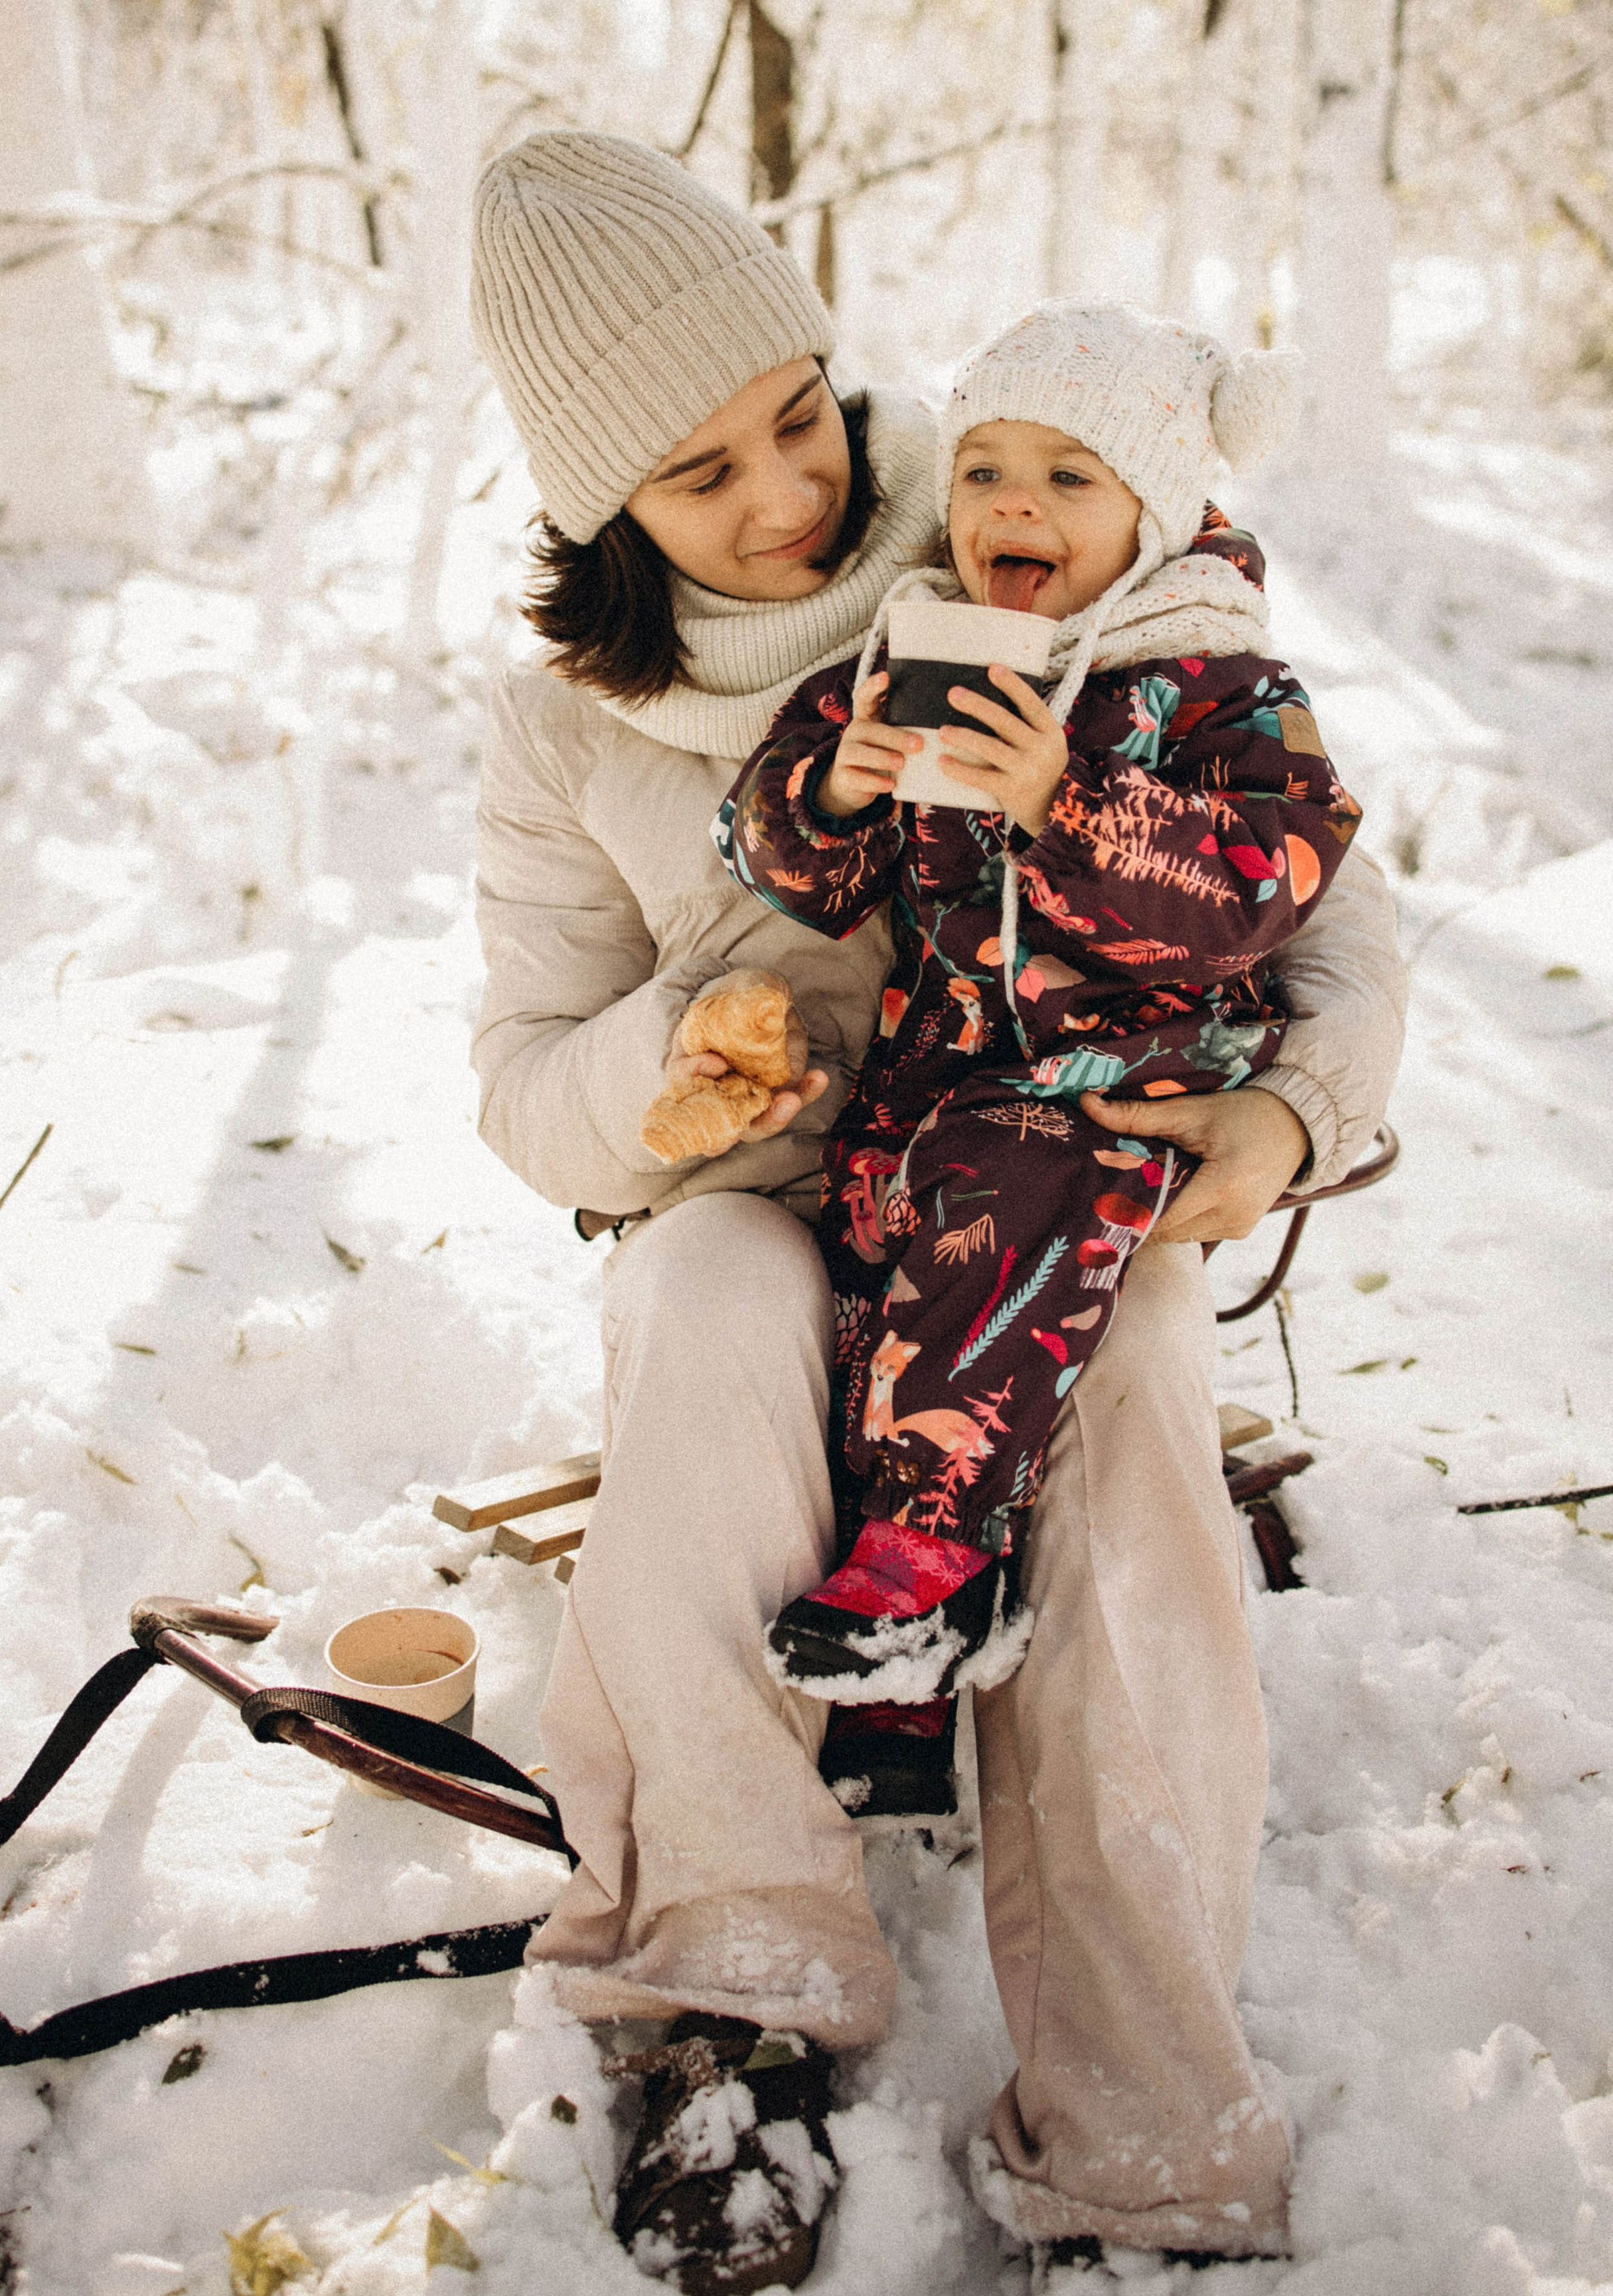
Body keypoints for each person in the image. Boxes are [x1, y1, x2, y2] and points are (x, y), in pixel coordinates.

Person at [467, 130, 1407, 2287]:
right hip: (782, 1212)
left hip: (1045, 1199)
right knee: (708, 1291)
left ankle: (1145, 2114)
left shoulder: (1022, 515)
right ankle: (730, 1996)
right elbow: (528, 1088)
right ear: (607, 508)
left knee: (1151, 1334)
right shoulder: (559, 725)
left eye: (801, 414)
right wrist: (667, 1072)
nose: (794, 494)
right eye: (705, 477)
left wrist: (1282, 1131)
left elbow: (1332, 912)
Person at [716, 302, 1362, 1707]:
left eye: (1070, 475)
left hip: (1126, 1079)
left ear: (1157, 509)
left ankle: (926, 1556)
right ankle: (903, 1572)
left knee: (994, 1214)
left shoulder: (1216, 682)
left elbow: (1270, 874)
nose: (1014, 500)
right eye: (984, 468)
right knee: (869, 1239)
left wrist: (1060, 801)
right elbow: (786, 868)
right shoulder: (923, 651)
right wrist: (835, 788)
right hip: (952, 1069)